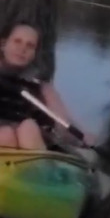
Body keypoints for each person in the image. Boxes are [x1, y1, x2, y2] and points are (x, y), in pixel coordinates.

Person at [0, 21, 93, 150]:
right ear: (3, 44)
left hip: (26, 135)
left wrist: (82, 137)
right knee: (6, 135)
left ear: (34, 53)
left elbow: (62, 120)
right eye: (17, 41)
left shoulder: (41, 86)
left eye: (30, 45)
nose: (22, 49)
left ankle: (37, 166)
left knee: (29, 128)